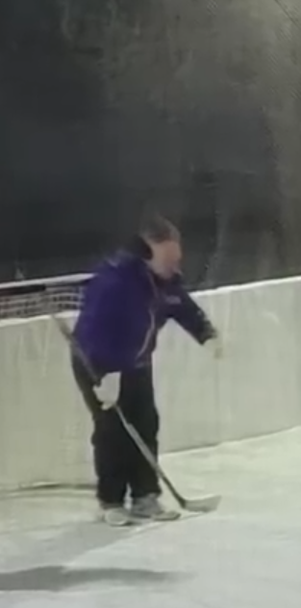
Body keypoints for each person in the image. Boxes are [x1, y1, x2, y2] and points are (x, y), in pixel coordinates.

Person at [68, 216, 219, 525]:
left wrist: (206, 334)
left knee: (146, 423)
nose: (175, 267)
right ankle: (111, 501)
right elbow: (94, 332)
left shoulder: (165, 281)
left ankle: (145, 496)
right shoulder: (115, 281)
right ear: (146, 251)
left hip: (137, 363)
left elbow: (182, 306)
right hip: (99, 364)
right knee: (113, 430)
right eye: (169, 260)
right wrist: (104, 377)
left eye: (177, 260)